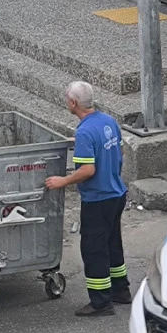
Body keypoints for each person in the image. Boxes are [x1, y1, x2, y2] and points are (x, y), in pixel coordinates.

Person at [44, 81, 131, 316]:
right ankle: (121, 290)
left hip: (97, 199)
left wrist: (62, 181)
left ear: (73, 103)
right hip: (117, 193)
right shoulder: (109, 121)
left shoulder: (84, 131)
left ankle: (101, 301)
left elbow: (87, 170)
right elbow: (119, 152)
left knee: (94, 249)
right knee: (113, 243)